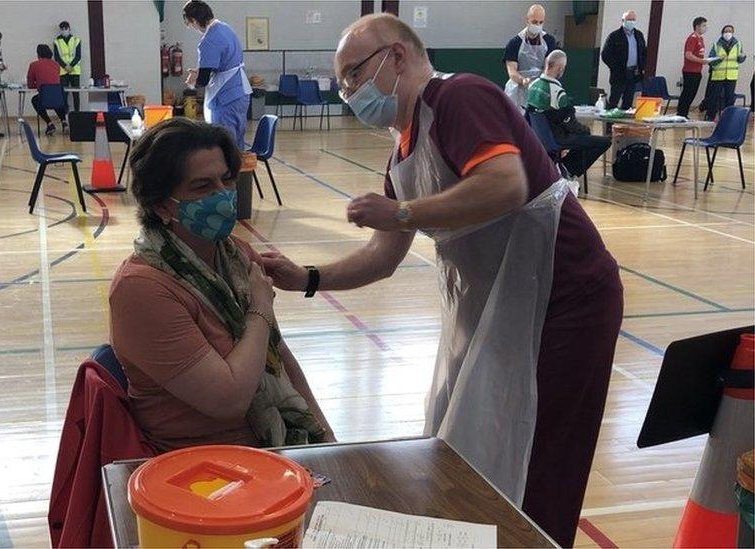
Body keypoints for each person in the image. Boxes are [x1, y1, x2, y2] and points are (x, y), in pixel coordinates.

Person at [261, 14, 623, 547]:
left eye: (353, 76)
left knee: (540, 455)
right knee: (465, 439)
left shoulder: (459, 97)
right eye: (342, 84)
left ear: (396, 57)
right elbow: (383, 256)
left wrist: (402, 212)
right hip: (496, 304)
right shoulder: (402, 147)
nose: (348, 93)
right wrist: (309, 278)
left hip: (563, 299)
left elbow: (504, 184)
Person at [109, 118, 333, 453]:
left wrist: (328, 441)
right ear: (161, 204)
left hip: (269, 446)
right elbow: (228, 400)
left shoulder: (236, 255)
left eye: (227, 181)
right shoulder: (140, 289)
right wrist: (260, 307)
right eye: (202, 187)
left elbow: (279, 356)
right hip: (198, 464)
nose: (223, 196)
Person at [527, 50, 611, 180]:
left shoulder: (533, 86)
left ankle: (563, 168)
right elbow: (571, 125)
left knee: (581, 138)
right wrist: (586, 131)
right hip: (556, 139)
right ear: (560, 68)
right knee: (602, 141)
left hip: (538, 136)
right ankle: (568, 169)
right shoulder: (557, 92)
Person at [182, 0, 252, 147]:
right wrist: (201, 71)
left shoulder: (208, 41)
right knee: (236, 143)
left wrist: (194, 79)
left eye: (190, 24)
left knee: (223, 144)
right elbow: (223, 63)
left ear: (194, 21)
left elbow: (203, 80)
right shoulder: (226, 29)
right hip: (240, 92)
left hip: (225, 98)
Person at [504, 4, 560, 109]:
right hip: (518, 90)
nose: (537, 25)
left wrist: (540, 84)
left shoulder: (549, 41)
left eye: (541, 22)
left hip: (541, 89)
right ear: (527, 20)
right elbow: (512, 72)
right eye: (534, 22)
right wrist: (523, 81)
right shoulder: (514, 43)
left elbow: (550, 67)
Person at [600, 11, 647, 109]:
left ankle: (623, 123)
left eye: (633, 20)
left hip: (633, 73)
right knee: (614, 100)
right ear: (623, 21)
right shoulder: (615, 36)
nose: (631, 22)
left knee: (628, 102)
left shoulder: (639, 35)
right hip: (619, 74)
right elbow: (605, 55)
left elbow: (644, 53)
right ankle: (609, 123)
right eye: (629, 20)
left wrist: (643, 67)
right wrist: (615, 67)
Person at [705, 25, 747, 121]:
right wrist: (719, 59)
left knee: (730, 98)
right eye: (726, 31)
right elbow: (710, 59)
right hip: (718, 75)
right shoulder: (717, 44)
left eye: (730, 31)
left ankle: (729, 118)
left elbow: (740, 58)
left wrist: (742, 57)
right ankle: (710, 116)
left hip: (731, 75)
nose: (728, 33)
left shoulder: (738, 44)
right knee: (714, 97)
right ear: (722, 32)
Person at [27, 44, 68, 136]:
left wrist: (38, 85)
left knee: (35, 100)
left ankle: (49, 123)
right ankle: (64, 122)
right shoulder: (57, 64)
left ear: (38, 54)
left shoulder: (34, 65)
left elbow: (30, 84)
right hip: (58, 97)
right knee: (55, 100)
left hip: (44, 97)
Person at [678, 17, 711, 118]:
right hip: (690, 71)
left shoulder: (700, 38)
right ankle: (681, 113)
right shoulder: (692, 38)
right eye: (703, 25)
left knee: (692, 93)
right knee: (687, 93)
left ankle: (685, 113)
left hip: (697, 71)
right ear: (697, 26)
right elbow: (688, 55)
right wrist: (702, 61)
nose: (705, 28)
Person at [53, 21, 82, 112]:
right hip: (63, 70)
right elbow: (57, 57)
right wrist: (65, 66)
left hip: (75, 70)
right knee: (64, 94)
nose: (64, 31)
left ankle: (77, 113)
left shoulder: (76, 40)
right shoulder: (56, 41)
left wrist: (71, 66)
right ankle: (65, 114)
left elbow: (78, 56)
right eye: (62, 29)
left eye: (66, 29)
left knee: (76, 94)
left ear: (69, 29)